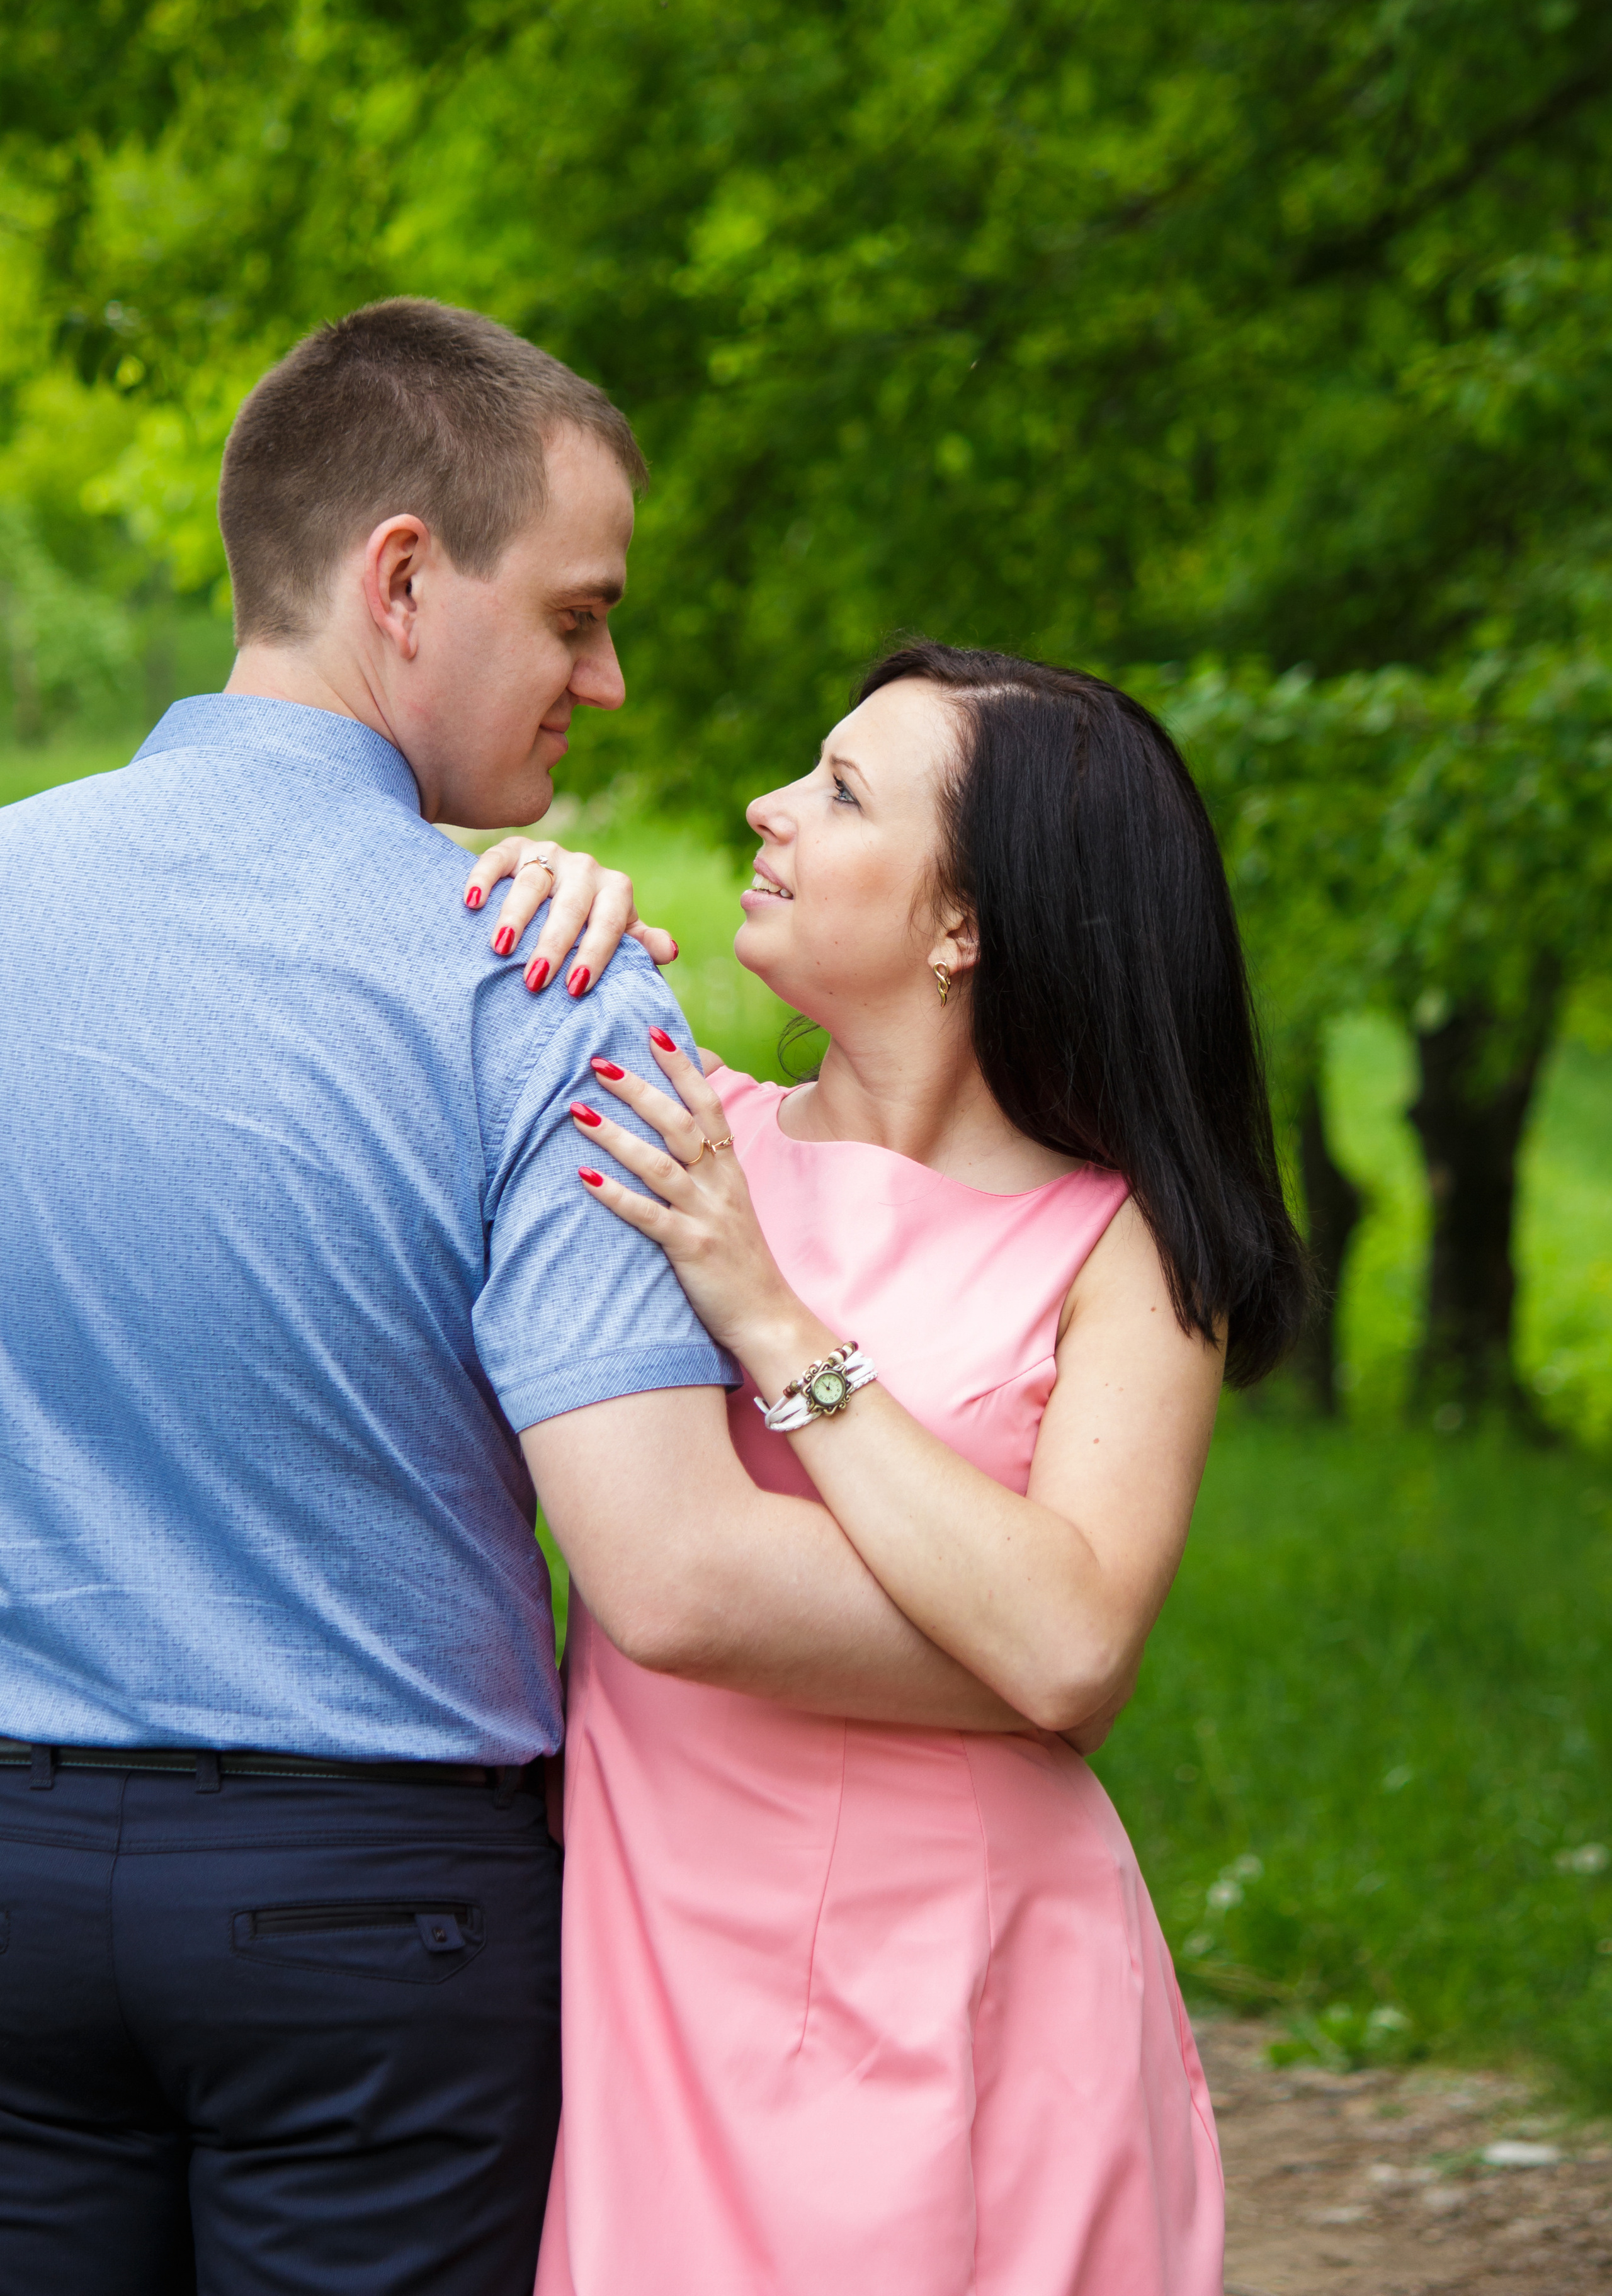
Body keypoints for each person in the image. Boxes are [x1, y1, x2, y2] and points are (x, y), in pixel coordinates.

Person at [0, 305, 1047, 2296]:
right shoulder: (541, 986)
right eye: (576, 617)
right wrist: (1046, 1640)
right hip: (368, 1929)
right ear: (403, 580)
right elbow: (678, 1577)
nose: (607, 680)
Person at [463, 642, 1308, 2295]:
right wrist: (524, 903)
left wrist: (774, 1322)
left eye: (843, 792)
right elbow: (1041, 1643)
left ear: (962, 925)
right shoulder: (665, 1124)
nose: (767, 809)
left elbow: (1077, 1646)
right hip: (667, 1978)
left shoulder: (1126, 1244)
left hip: (988, 1980)